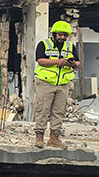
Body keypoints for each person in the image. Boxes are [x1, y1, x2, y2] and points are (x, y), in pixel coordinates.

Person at [33, 20, 80, 149]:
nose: (62, 37)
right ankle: (39, 137)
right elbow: (40, 60)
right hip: (45, 82)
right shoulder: (43, 44)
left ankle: (54, 138)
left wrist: (73, 64)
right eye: (60, 35)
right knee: (42, 110)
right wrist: (58, 62)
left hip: (63, 83)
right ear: (54, 33)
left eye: (65, 35)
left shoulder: (70, 47)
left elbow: (78, 62)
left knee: (59, 111)